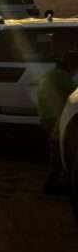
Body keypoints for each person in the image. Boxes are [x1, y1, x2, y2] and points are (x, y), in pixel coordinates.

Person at [37, 51, 78, 194]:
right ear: (71, 65)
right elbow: (75, 93)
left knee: (59, 151)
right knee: (60, 152)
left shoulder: (53, 74)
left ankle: (57, 184)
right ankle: (51, 186)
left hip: (48, 116)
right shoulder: (61, 77)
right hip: (54, 118)